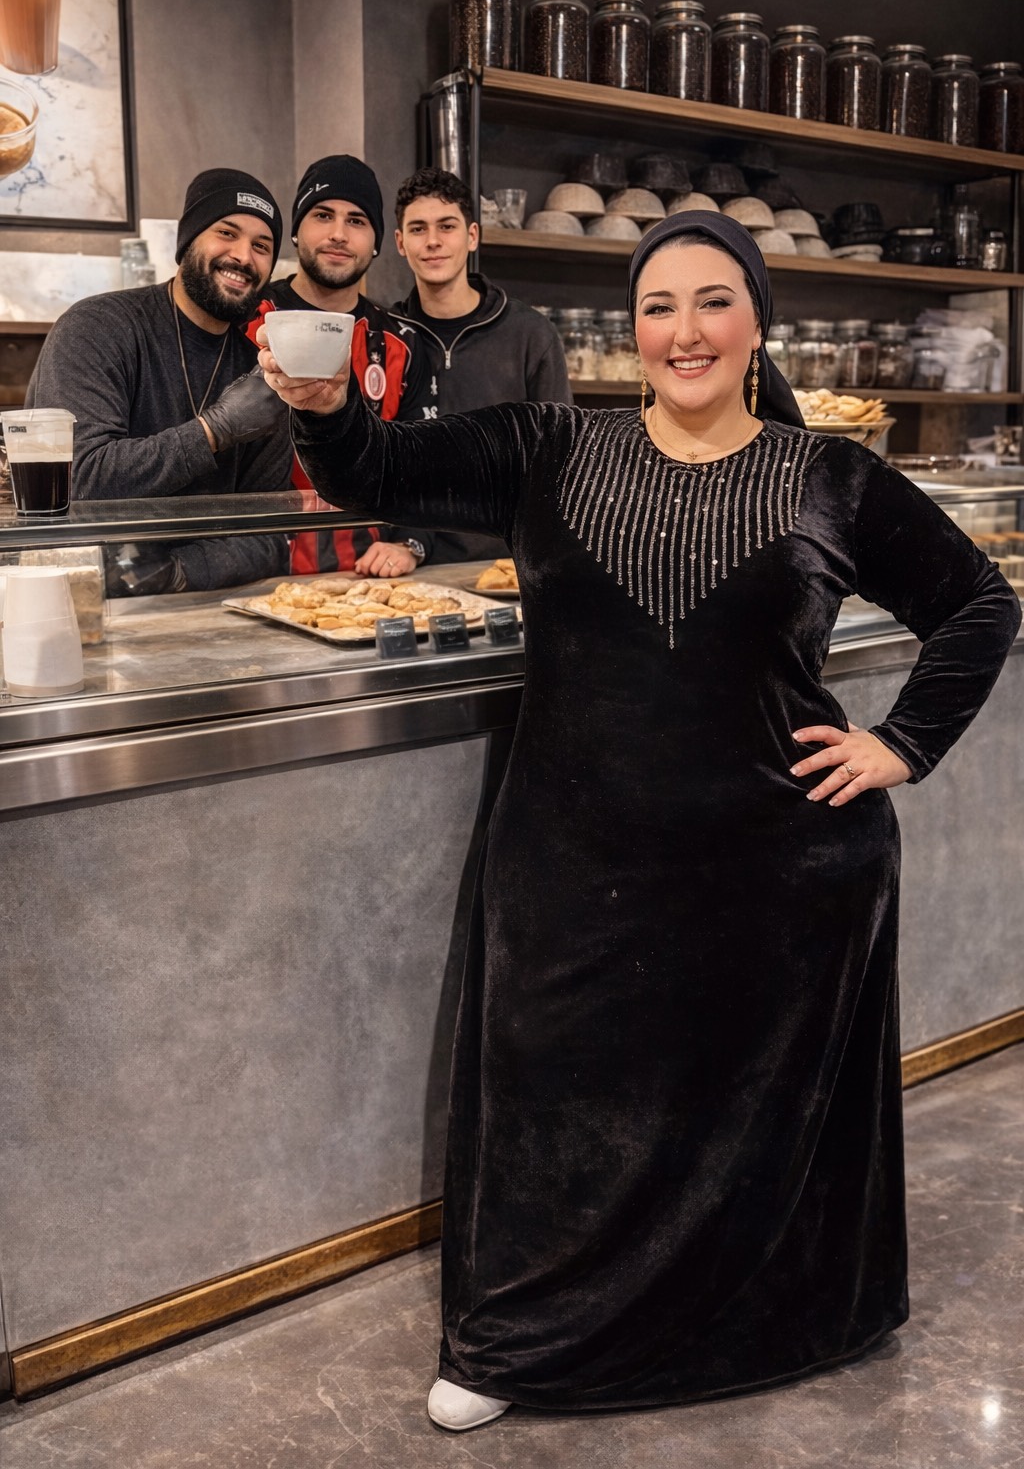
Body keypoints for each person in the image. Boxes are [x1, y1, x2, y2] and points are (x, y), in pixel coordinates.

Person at [258, 210, 1020, 1431]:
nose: (684, 330)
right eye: (658, 306)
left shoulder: (832, 475)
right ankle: (518, 1344)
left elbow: (979, 605)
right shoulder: (546, 445)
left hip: (779, 875)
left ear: (757, 321)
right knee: (553, 1099)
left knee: (748, 1115)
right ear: (631, 330)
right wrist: (321, 405)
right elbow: (373, 471)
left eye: (714, 300)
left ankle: (778, 1318)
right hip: (573, 862)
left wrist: (901, 744)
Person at [26, 168, 292, 594]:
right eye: (227, 233)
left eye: (262, 246)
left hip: (209, 603)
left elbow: (271, 535)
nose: (244, 256)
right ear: (187, 241)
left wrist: (177, 571)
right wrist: (213, 431)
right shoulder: (97, 327)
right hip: (83, 604)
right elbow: (77, 483)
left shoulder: (260, 370)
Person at [246, 154, 436, 578]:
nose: (338, 234)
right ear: (296, 230)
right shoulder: (248, 318)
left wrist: (409, 543)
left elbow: (422, 465)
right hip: (254, 571)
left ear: (377, 242)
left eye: (356, 220)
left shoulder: (402, 341)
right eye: (322, 215)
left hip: (369, 579)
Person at [391, 166, 573, 562]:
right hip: (407, 562)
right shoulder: (387, 337)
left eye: (447, 226)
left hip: (507, 563)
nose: (433, 241)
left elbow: (560, 460)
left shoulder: (530, 333)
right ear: (401, 243)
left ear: (472, 236)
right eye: (419, 229)